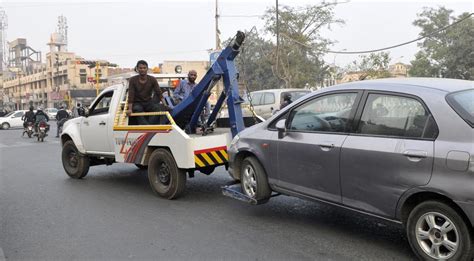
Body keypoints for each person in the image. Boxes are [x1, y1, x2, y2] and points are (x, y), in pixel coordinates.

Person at [127, 60, 169, 125]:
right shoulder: (132, 80)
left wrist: (165, 105)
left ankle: (149, 126)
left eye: (144, 68)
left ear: (147, 69)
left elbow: (159, 93)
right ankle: (146, 126)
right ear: (137, 69)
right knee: (137, 109)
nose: (142, 70)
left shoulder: (152, 79)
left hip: (148, 102)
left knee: (157, 108)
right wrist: (130, 109)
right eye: (140, 68)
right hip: (137, 103)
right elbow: (131, 95)